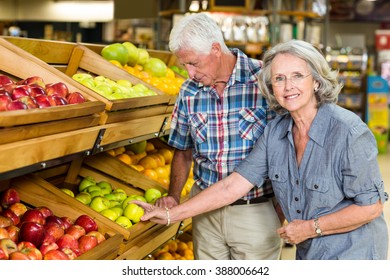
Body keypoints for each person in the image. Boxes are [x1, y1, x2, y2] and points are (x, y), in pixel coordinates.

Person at [134, 39, 389, 260]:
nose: (288, 86)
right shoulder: (276, 133)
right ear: (271, 87)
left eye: (298, 76)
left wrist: (311, 228)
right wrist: (170, 214)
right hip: (311, 253)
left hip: (355, 253)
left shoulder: (348, 132)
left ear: (317, 82)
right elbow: (231, 186)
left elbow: (371, 207)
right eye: (279, 78)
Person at [154, 13, 283, 260]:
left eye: (194, 63)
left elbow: (285, 149)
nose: (190, 73)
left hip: (255, 211)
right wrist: (173, 195)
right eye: (184, 66)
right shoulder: (189, 92)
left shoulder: (264, 80)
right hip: (205, 213)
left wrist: (278, 209)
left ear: (215, 49)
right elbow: (182, 150)